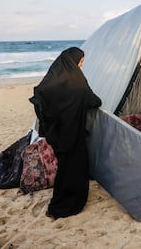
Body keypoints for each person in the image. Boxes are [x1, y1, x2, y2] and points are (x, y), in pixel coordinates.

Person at [29, 47, 102, 219]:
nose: (82, 65)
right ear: (74, 61)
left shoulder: (52, 79)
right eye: (81, 61)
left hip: (58, 135)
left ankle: (58, 203)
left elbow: (39, 97)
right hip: (74, 135)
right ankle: (72, 204)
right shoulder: (78, 81)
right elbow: (95, 101)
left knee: (63, 168)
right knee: (76, 168)